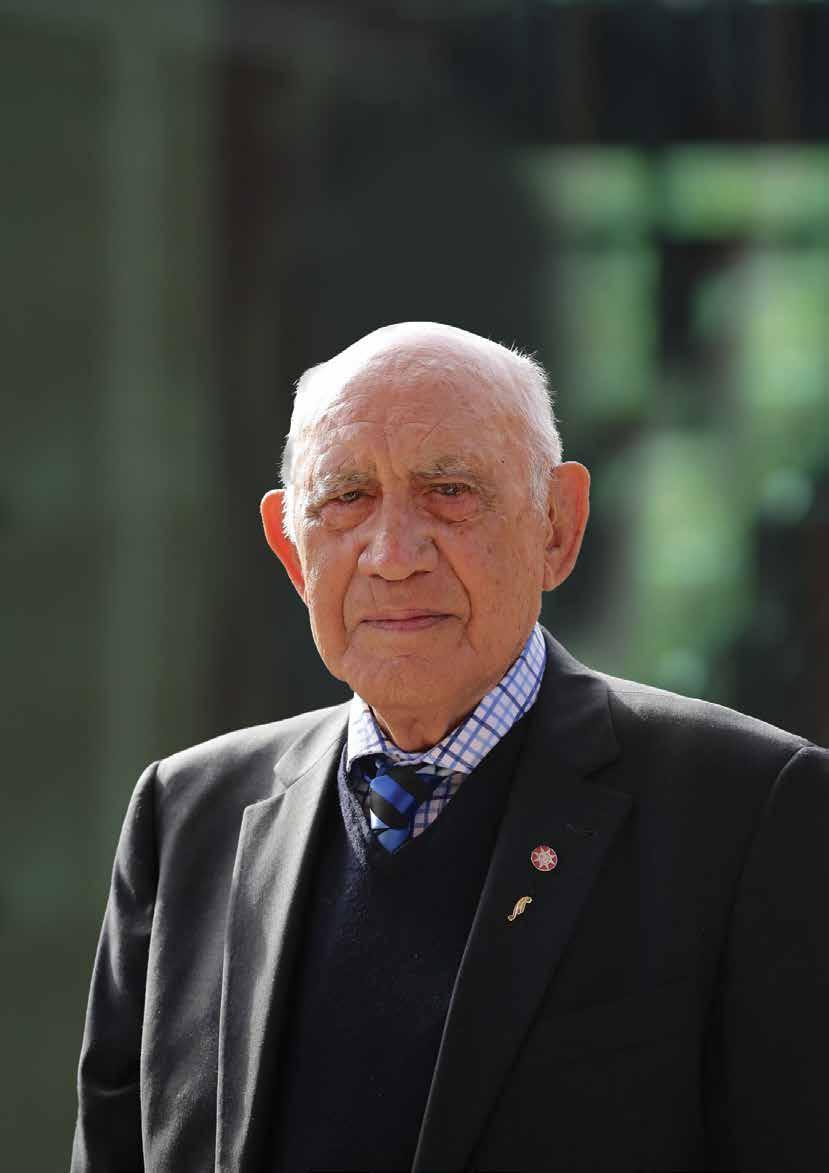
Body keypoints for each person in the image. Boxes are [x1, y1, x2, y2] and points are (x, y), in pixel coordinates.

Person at [72, 322, 828, 1173]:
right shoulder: (185, 816)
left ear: (557, 525)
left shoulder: (750, 811)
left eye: (450, 491)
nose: (393, 556)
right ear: (290, 547)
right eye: (346, 497)